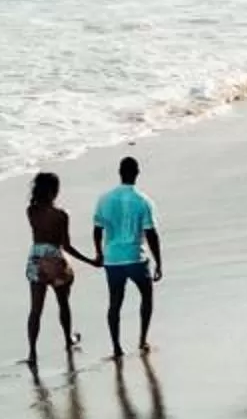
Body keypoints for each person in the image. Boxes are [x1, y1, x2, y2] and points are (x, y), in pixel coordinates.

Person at [22, 170, 99, 371]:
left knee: (35, 310)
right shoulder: (61, 215)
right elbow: (66, 246)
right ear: (54, 191)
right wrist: (90, 261)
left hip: (36, 259)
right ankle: (67, 339)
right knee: (63, 303)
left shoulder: (31, 211)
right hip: (54, 259)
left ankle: (32, 352)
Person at [90, 154, 164, 358]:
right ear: (137, 173)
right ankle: (142, 339)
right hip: (135, 258)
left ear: (120, 173)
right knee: (146, 296)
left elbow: (97, 230)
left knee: (114, 302)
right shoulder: (143, 201)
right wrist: (158, 262)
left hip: (112, 259)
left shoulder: (104, 199)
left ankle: (116, 346)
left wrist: (98, 252)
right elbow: (151, 234)